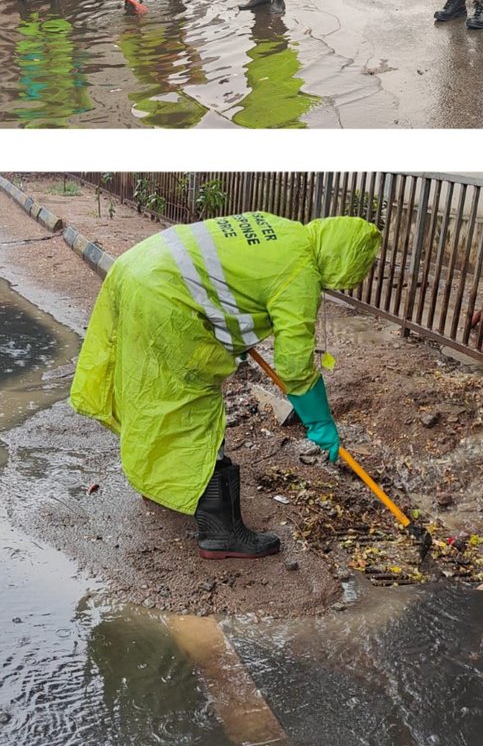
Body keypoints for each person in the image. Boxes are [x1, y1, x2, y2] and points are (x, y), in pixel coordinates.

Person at [70, 213, 382, 560]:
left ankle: (159, 484)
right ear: (345, 258)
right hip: (164, 297)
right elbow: (294, 366)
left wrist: (236, 327)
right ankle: (220, 533)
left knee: (153, 393)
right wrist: (320, 420)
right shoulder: (301, 273)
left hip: (136, 268)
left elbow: (232, 280)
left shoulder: (283, 229)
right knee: (191, 404)